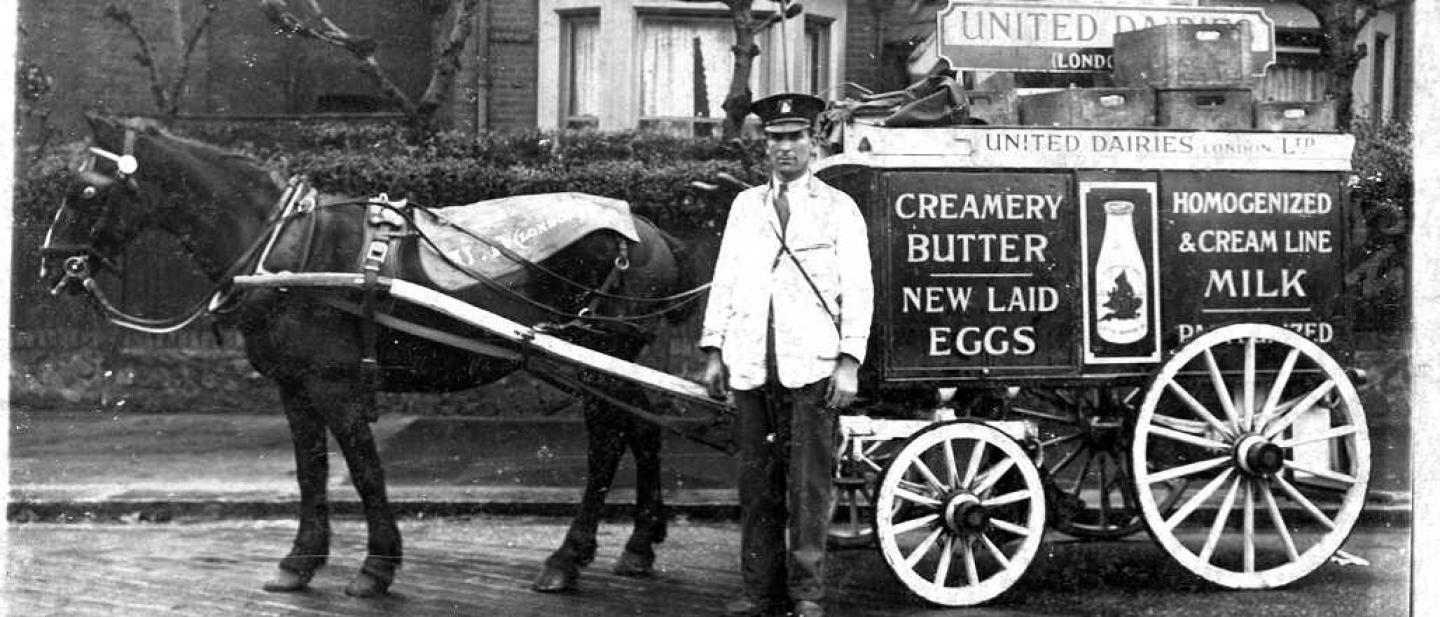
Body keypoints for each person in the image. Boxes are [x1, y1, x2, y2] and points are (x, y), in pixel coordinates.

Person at [700, 92, 874, 617]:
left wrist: (849, 363)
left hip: (813, 365)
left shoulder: (837, 208)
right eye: (775, 139)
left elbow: (858, 289)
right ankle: (760, 591)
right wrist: (714, 350)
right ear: (765, 146)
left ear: (813, 143)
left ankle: (806, 593)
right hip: (752, 363)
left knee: (808, 487)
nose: (785, 148)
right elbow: (726, 280)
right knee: (756, 487)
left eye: (795, 137)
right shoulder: (745, 207)